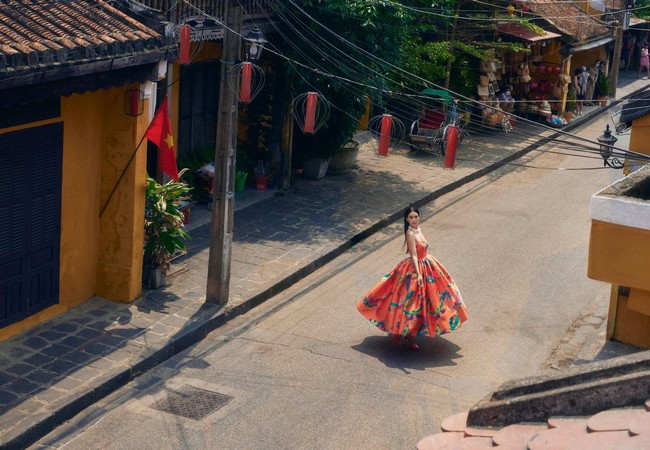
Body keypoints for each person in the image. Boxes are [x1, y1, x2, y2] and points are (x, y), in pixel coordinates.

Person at [356, 206, 468, 350]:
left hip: (428, 265)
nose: (414, 220)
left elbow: (423, 250)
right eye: (411, 217)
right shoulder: (410, 233)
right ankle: (403, 334)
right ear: (406, 219)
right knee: (410, 304)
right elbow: (414, 255)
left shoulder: (419, 230)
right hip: (415, 269)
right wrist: (418, 274)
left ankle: (406, 333)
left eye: (416, 217)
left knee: (431, 300)